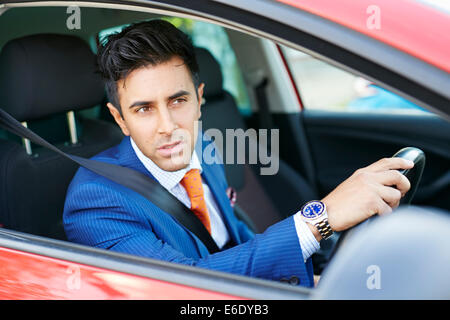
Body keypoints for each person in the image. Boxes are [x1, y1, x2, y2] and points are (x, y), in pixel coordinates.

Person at [63, 20, 413, 288]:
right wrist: (318, 219)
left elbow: (236, 242)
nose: (167, 126)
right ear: (120, 119)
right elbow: (183, 287)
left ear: (200, 100)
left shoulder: (205, 149)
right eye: (143, 110)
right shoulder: (96, 199)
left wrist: (315, 286)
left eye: (178, 100)